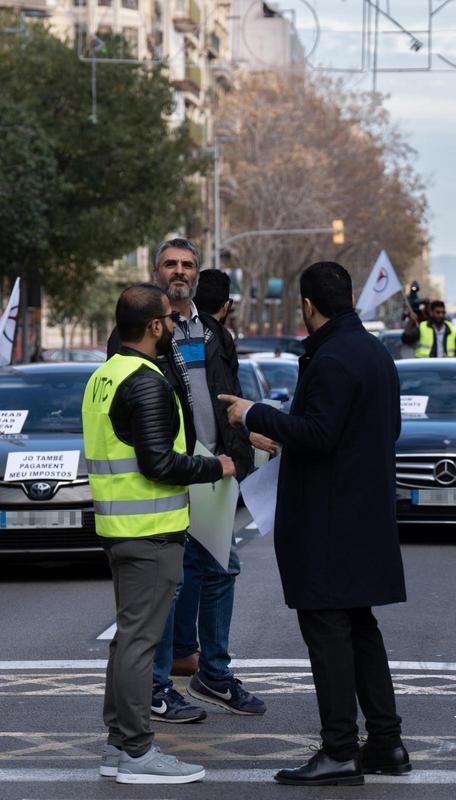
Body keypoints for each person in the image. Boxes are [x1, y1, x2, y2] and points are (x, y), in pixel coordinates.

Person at [219, 261, 409, 786]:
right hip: (364, 515)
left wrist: (251, 415)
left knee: (327, 634)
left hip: (328, 521)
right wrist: (287, 432)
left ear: (307, 305)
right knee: (361, 629)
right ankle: (387, 744)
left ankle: (340, 752)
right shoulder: (375, 352)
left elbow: (321, 434)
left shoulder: (329, 357)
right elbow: (378, 430)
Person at [106, 241, 265, 724]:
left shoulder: (214, 331)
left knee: (221, 569)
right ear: (156, 270)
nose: (179, 272)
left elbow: (228, 396)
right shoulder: (136, 332)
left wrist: (244, 442)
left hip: (217, 469)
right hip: (170, 470)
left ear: (197, 274)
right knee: (169, 582)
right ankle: (156, 687)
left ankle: (213, 673)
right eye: (171, 264)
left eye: (187, 265)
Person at [84, 284, 235, 784]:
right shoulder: (147, 381)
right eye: (169, 320)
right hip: (149, 532)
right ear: (153, 326)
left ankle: (118, 747)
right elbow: (158, 461)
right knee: (141, 643)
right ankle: (136, 752)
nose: (174, 327)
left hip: (120, 528)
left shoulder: (105, 375)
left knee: (129, 639)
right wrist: (216, 466)